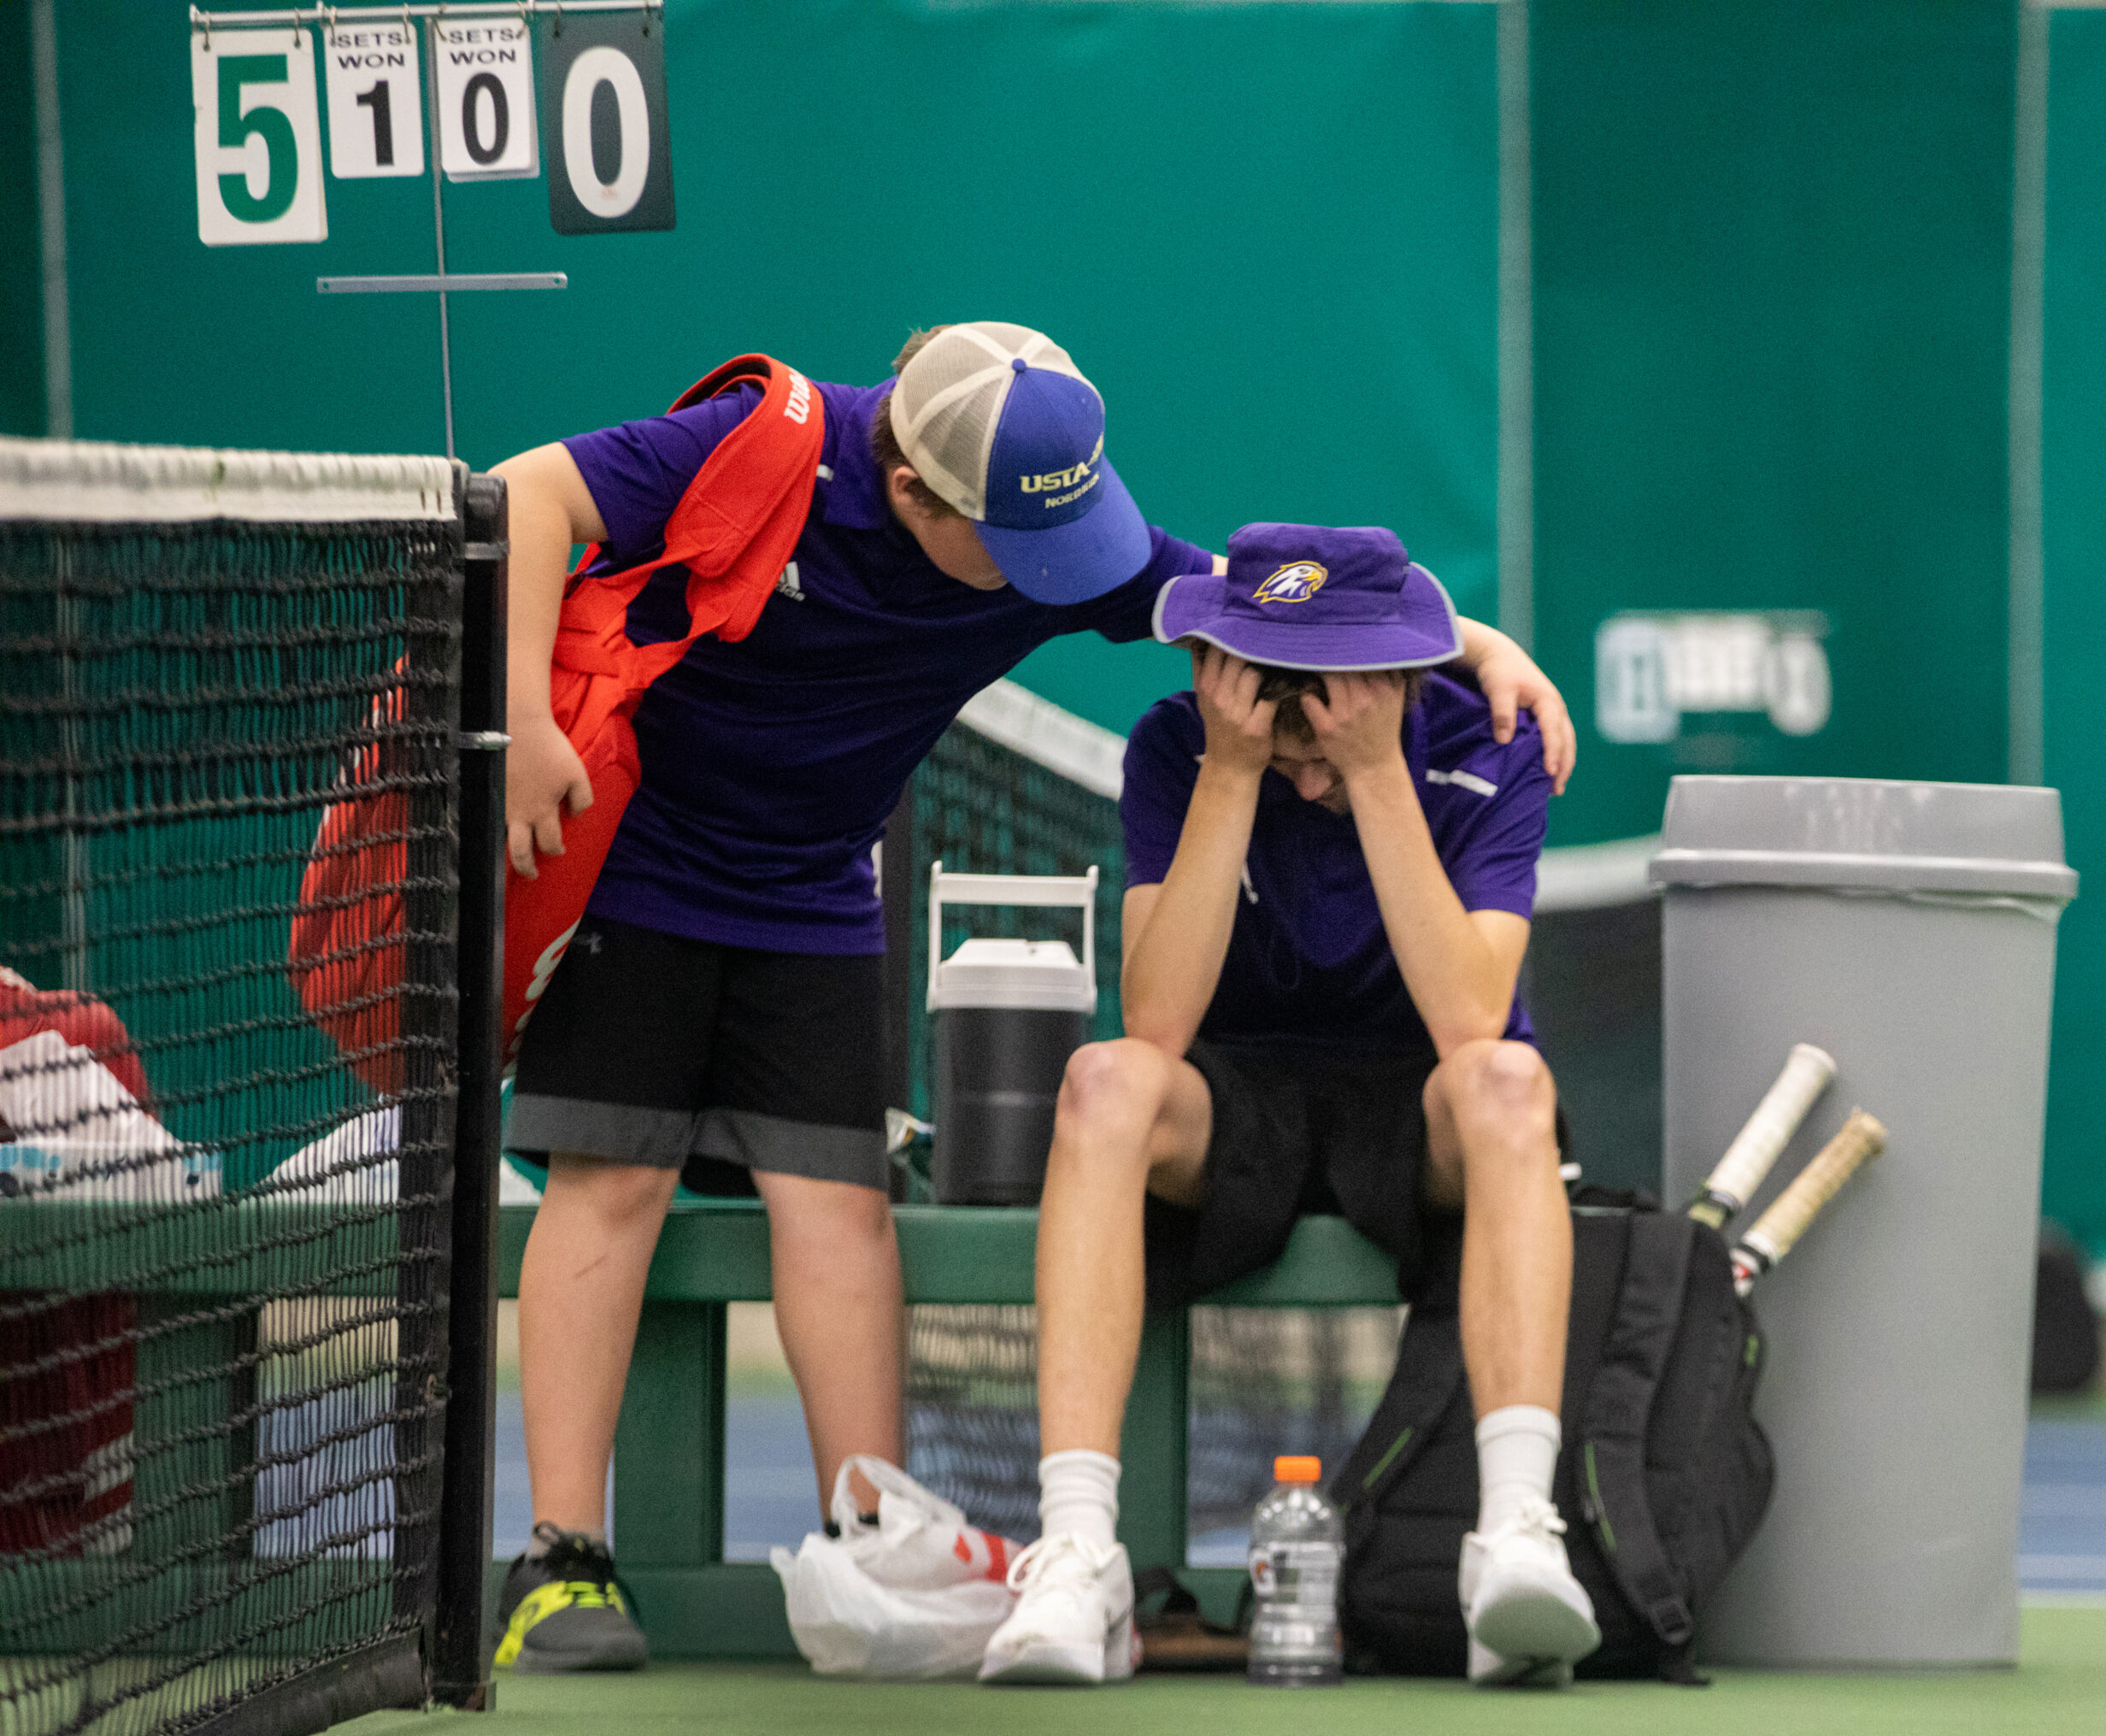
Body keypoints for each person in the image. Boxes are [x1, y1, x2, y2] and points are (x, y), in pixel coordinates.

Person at [487, 328, 1577, 1673]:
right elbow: (528, 494)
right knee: (615, 1181)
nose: (1060, 576)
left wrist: (1472, 644)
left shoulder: (1056, 538)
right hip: (640, 851)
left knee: (838, 1202)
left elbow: (1271, 602)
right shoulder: (763, 449)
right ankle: (561, 1558)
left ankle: (867, 1540)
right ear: (915, 498)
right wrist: (523, 727)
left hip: (818, 888)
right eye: (1013, 542)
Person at [979, 523, 1596, 1688]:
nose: (1306, 770)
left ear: (1396, 685)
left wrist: (1373, 777)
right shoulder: (1182, 745)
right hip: (1237, 1103)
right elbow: (1156, 1020)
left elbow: (1471, 1017)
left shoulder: (1493, 747)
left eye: (1334, 734)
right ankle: (1076, 1552)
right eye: (1288, 732)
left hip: (1421, 1107)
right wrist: (1231, 769)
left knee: (1512, 1081)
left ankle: (1516, 1540)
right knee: (1105, 1080)